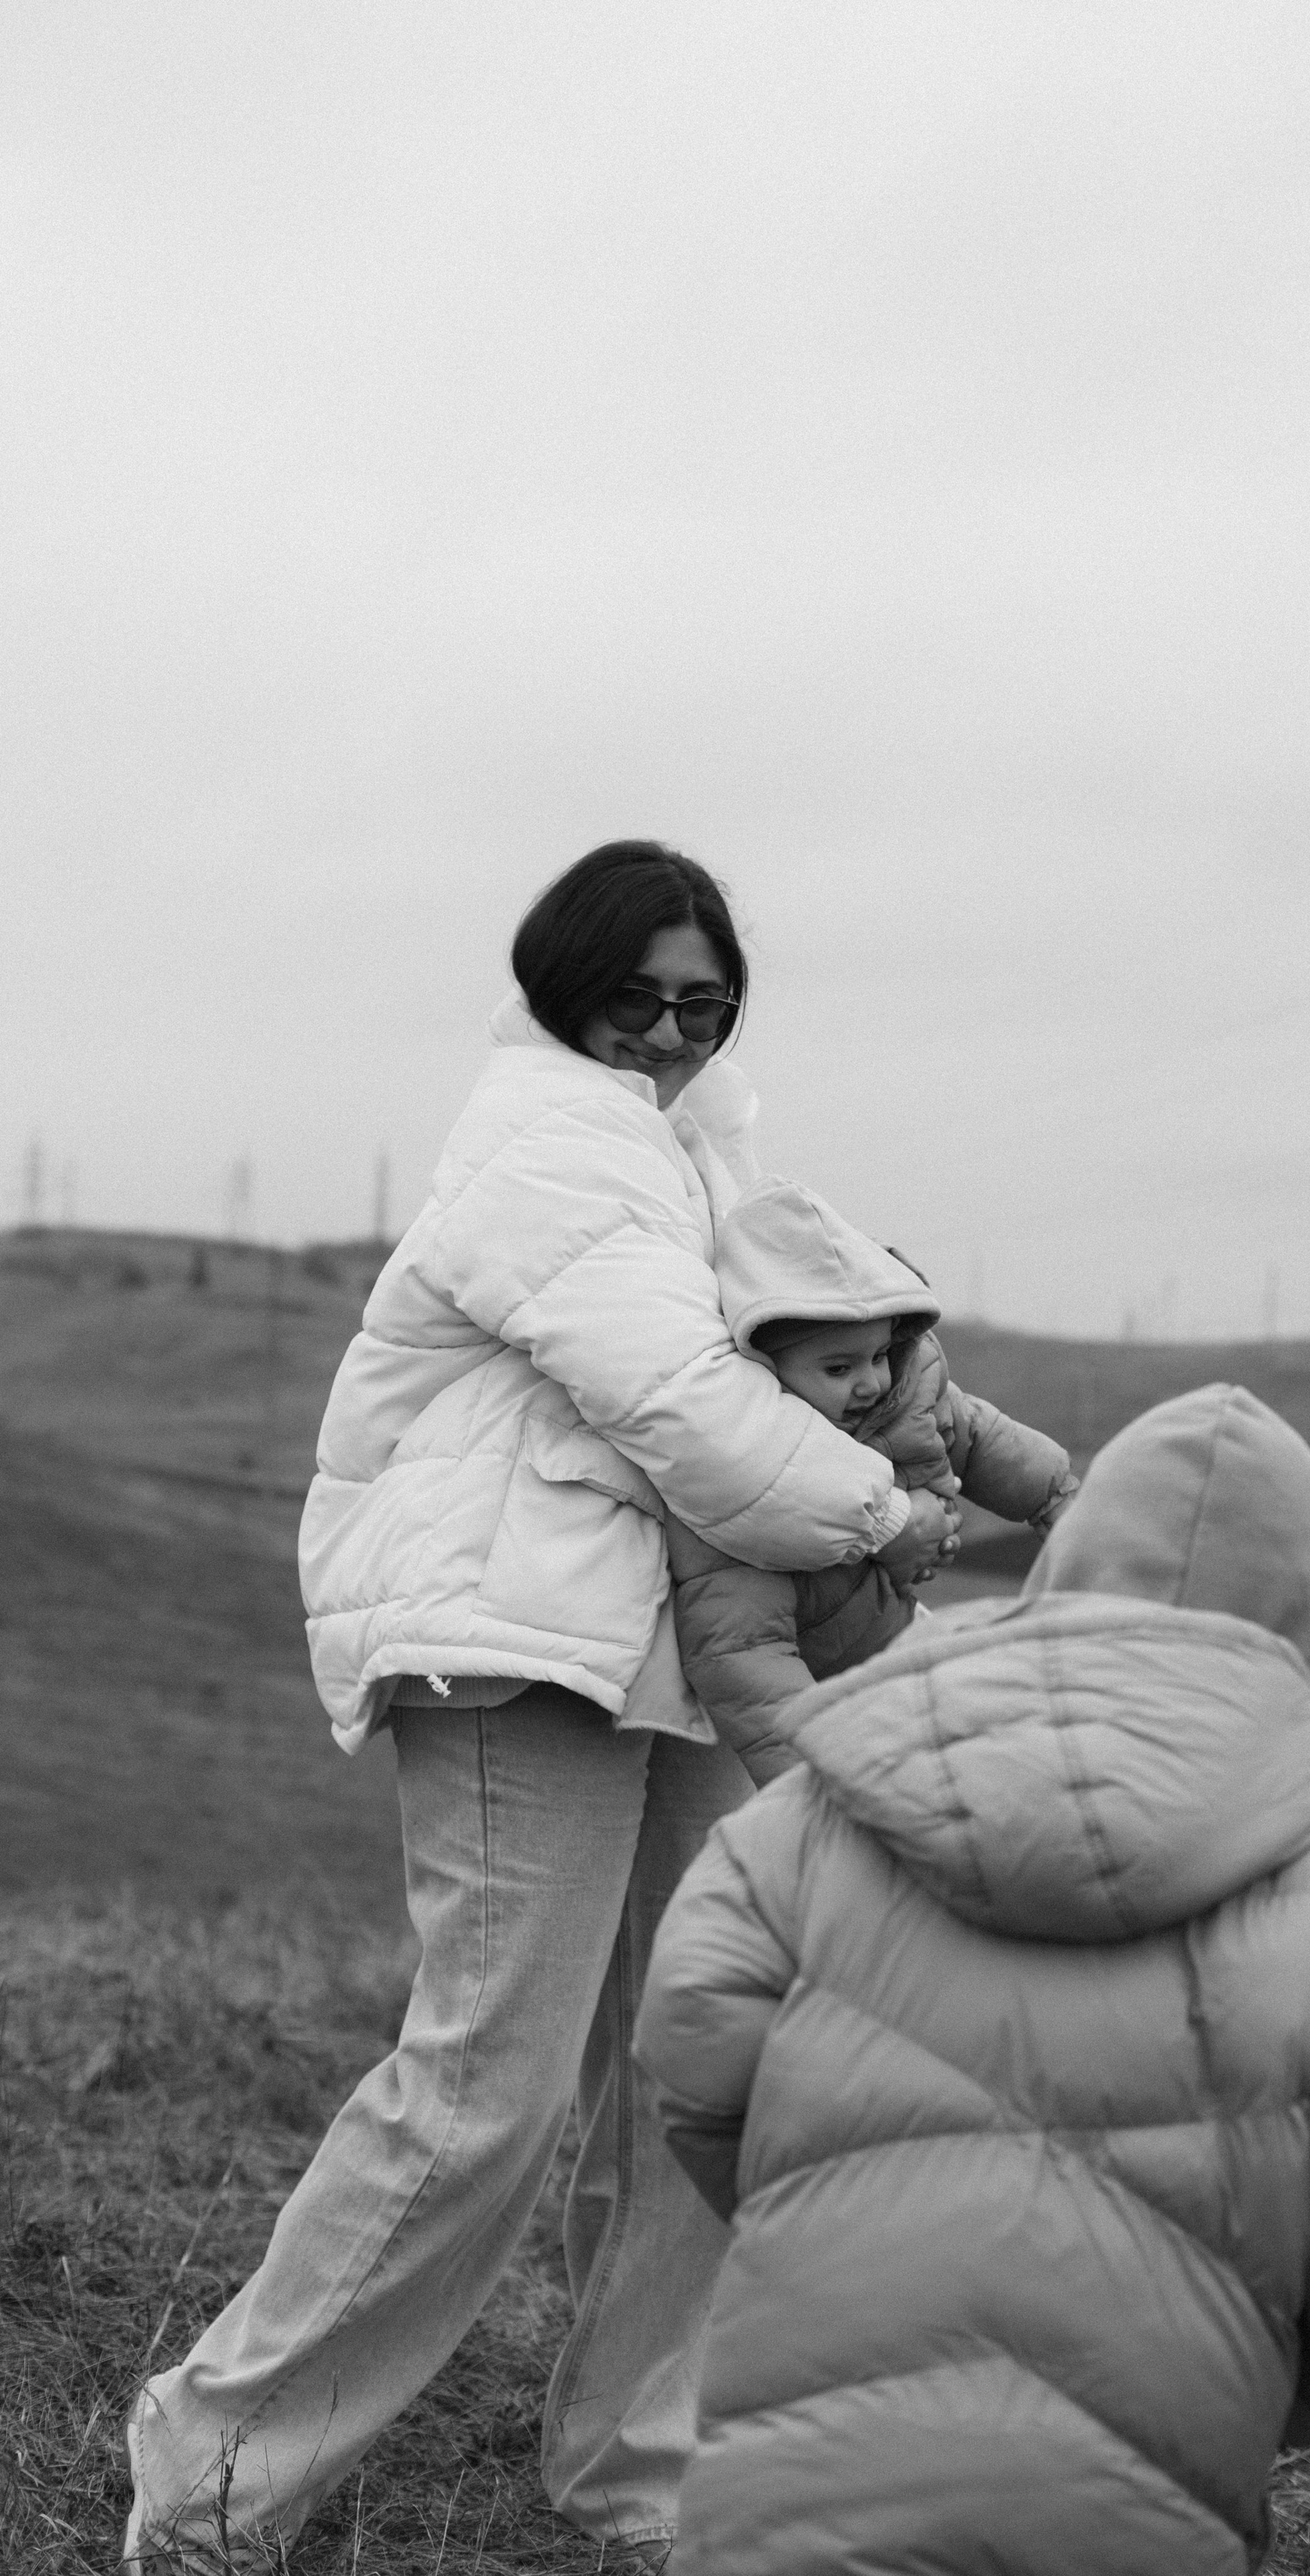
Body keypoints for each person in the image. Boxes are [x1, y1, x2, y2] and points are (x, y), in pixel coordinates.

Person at [123, 841, 959, 2575]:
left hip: (652, 1651)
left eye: (702, 1003)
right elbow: (691, 1415)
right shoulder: (557, 1150)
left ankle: (634, 2472)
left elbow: (795, 1352)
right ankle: (208, 2478)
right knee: (484, 2093)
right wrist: (894, 1519)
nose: (665, 1032)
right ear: (559, 988)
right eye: (631, 997)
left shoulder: (694, 1163)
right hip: (517, 1645)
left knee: (695, 2055)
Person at [634, 1383, 1310, 2576]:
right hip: (1147, 2508)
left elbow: (691, 2028)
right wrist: (1272, 2388)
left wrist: (809, 2204)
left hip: (792, 2496)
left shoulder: (837, 1791)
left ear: (1067, 1564)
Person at [667, 1174, 1079, 1784]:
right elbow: (741, 1656)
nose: (872, 1383)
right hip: (833, 1696)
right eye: (838, 1367)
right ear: (762, 1365)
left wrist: (1061, 1501)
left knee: (1010, 1739)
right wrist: (810, 1782)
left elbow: (984, 1440)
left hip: (905, 1639)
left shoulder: (907, 1397)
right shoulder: (746, 1487)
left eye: (880, 1355)